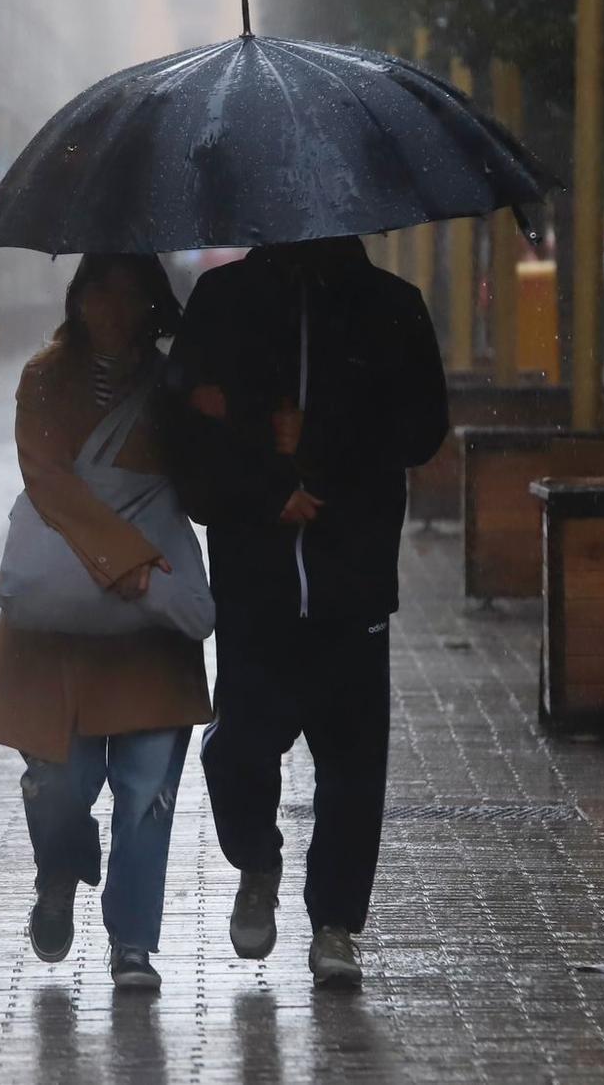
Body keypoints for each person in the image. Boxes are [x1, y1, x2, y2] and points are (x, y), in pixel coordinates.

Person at [167, 235, 447, 988]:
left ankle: (335, 925)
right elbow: (185, 430)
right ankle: (256, 859)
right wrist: (265, 480)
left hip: (351, 574)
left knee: (354, 768)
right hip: (254, 576)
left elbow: (421, 429)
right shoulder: (224, 303)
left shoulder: (390, 307)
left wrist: (319, 448)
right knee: (239, 747)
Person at [0, 254, 211, 992]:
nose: (112, 305)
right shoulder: (44, 378)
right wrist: (123, 558)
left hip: (146, 631)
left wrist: (223, 425)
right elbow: (45, 480)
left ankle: (133, 943)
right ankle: (59, 875)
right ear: (77, 299)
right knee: (57, 786)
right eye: (99, 288)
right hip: (60, 625)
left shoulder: (178, 383)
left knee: (146, 795)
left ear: (153, 302)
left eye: (130, 290)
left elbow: (200, 485)